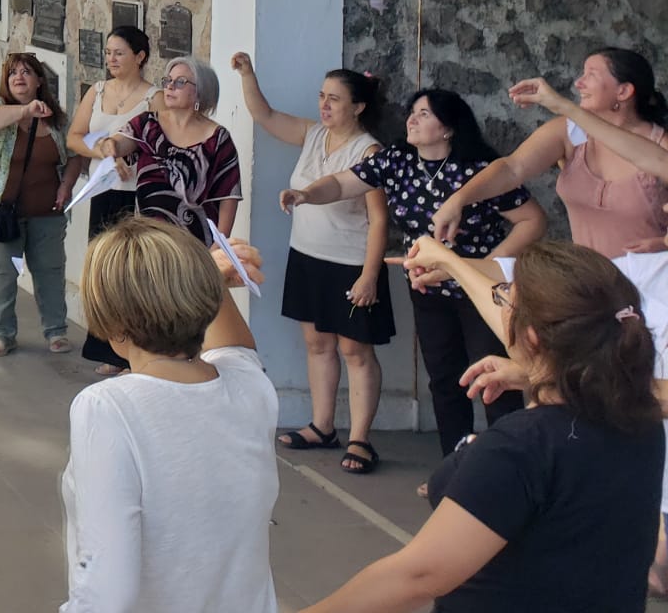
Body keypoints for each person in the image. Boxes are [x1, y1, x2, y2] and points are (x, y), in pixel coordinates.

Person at [304, 239, 664, 613]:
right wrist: (536, 375)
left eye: (505, 297)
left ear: (532, 337)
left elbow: (417, 578)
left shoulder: (522, 447)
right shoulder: (640, 421)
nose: (500, 304)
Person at [285, 88, 545, 455]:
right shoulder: (398, 162)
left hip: (482, 291)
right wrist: (307, 194)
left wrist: (485, 266)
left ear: (448, 128)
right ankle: (456, 467)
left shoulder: (478, 171)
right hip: (427, 289)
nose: (412, 119)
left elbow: (532, 221)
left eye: (424, 114)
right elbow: (344, 182)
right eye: (412, 112)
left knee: (494, 378)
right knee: (444, 378)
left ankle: (511, 467)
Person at [61, 217, 276, 613]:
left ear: (112, 324)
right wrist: (211, 280)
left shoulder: (108, 407)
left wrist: (210, 277)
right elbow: (236, 346)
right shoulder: (249, 386)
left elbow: (107, 590)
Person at [236, 54, 394, 475]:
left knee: (355, 350)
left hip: (351, 263)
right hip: (308, 257)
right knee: (317, 344)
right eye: (322, 97)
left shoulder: (370, 150)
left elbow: (379, 218)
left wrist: (370, 274)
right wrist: (248, 73)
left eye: (335, 99)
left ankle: (361, 439)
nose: (324, 105)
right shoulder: (312, 134)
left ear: (358, 106)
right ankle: (323, 426)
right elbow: (264, 114)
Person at [433, 48, 668, 259]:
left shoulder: (660, 144)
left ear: (624, 91)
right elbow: (512, 168)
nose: (579, 83)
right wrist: (458, 200)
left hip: (654, 284)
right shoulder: (569, 132)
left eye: (591, 75)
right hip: (594, 286)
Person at [0, 52, 82, 356]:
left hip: (47, 212)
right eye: (13, 73)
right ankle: (1, 334)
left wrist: (66, 186)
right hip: (0, 210)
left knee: (49, 272)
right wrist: (24, 111)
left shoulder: (57, 119)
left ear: (38, 81)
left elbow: (75, 156)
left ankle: (56, 332)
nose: (19, 78)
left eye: (26, 72)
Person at [65, 26, 157, 374]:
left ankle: (140, 350)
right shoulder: (98, 90)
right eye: (108, 53)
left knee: (136, 274)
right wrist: (103, 148)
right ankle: (111, 349)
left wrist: (125, 151)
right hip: (104, 191)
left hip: (138, 193)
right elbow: (75, 137)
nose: (111, 59)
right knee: (105, 272)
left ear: (140, 57)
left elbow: (158, 140)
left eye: (119, 52)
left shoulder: (155, 97)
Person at [107, 56, 240, 238]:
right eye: (168, 80)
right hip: (149, 241)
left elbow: (228, 196)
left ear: (200, 92)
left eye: (180, 82)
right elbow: (120, 142)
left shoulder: (218, 139)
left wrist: (221, 243)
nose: (169, 86)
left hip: (195, 243)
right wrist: (110, 145)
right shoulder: (148, 124)